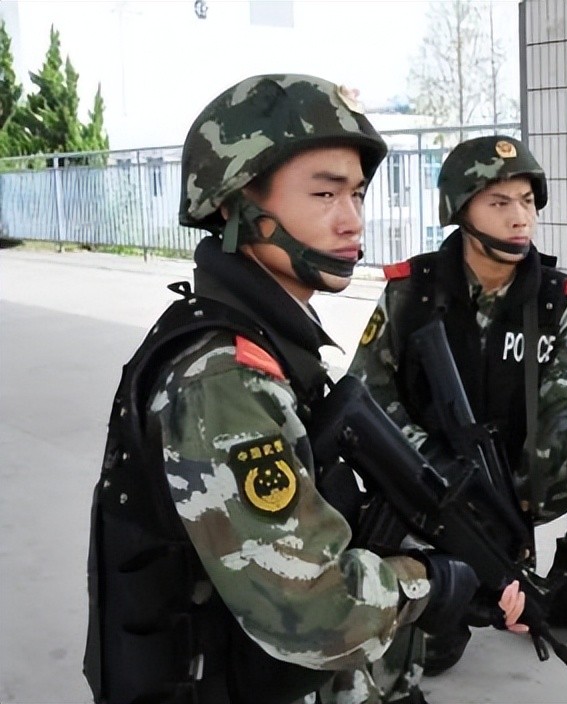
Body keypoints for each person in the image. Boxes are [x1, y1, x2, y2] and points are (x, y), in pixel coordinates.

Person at [83, 74, 526, 704]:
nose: (352, 220)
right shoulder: (226, 378)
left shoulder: (269, 340)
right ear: (237, 205)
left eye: (358, 194)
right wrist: (434, 582)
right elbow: (316, 610)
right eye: (324, 194)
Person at [349, 135, 567, 673]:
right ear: (460, 211)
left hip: (517, 480)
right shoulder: (413, 291)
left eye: (526, 201)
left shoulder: (557, 302)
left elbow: (562, 413)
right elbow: (366, 391)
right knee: (437, 653)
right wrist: (430, 464)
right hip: (425, 484)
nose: (520, 217)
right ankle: (438, 579)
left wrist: (502, 516)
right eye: (499, 203)